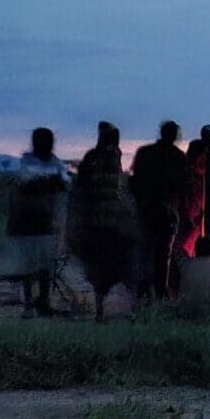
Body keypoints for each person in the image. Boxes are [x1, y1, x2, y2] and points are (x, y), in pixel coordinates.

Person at [0, 129, 70, 318]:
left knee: (42, 265)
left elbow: (61, 188)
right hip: (29, 221)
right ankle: (31, 304)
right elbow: (24, 186)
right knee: (31, 265)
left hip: (40, 221)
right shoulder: (29, 163)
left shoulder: (50, 164)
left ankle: (40, 303)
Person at [67, 122, 138, 320]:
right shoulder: (112, 156)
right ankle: (118, 307)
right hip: (111, 223)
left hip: (96, 221)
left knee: (100, 267)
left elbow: (83, 186)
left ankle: (100, 308)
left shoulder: (94, 157)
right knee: (116, 264)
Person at [130, 120, 189, 300]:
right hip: (167, 213)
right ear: (175, 136)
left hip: (147, 210)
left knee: (145, 251)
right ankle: (160, 292)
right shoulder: (178, 157)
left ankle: (143, 292)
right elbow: (184, 186)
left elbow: (134, 181)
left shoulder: (145, 152)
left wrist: (140, 203)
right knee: (162, 255)